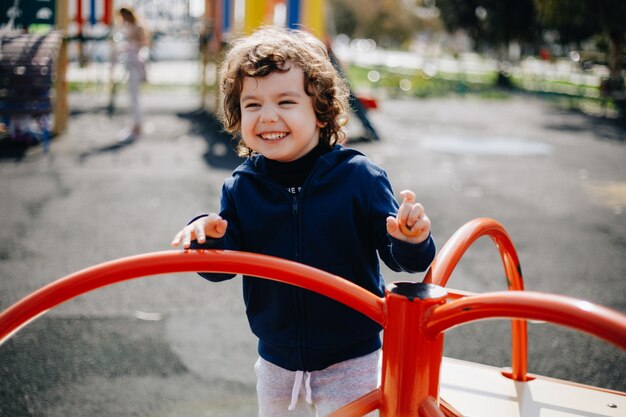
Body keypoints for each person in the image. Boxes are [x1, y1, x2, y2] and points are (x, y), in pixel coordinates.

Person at [171, 26, 435, 417]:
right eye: (253, 105)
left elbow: (407, 264)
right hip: (277, 362)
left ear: (321, 110)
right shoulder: (242, 187)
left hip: (352, 360)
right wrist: (207, 241)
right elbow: (222, 268)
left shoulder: (359, 178)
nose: (268, 117)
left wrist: (411, 240)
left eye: (286, 101)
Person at [116, 6, 149, 142]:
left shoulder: (138, 27)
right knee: (132, 96)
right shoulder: (132, 26)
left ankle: (138, 126)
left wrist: (131, 46)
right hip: (132, 63)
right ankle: (135, 124)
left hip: (135, 64)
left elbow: (144, 44)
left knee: (134, 97)